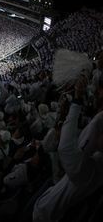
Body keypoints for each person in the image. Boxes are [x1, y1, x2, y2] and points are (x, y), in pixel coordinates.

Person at [33, 76, 103, 221]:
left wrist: (76, 101)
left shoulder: (90, 170)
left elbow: (65, 148)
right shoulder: (94, 161)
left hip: (45, 215)